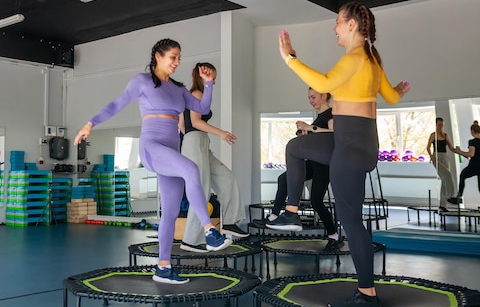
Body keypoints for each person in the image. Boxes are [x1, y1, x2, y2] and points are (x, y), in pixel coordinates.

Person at [277, 1, 410, 307]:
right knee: (295, 148)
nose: (334, 27)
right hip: (349, 140)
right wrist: (399, 91)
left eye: (338, 21)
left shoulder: (355, 57)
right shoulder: (371, 58)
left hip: (351, 147)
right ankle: (292, 212)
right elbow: (389, 96)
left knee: (351, 222)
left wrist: (290, 58)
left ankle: (367, 296)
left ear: (352, 25)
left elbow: (322, 84)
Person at [73, 38, 231, 285]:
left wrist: (209, 83)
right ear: (158, 55)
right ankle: (210, 231)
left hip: (170, 150)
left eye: (179, 57)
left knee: (169, 211)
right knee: (191, 169)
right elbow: (117, 104)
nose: (177, 62)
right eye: (173, 57)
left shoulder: (179, 89)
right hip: (151, 148)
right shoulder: (142, 81)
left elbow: (202, 106)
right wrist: (90, 123)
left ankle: (163, 267)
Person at [178, 62, 249, 253]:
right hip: (195, 143)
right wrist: (220, 133)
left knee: (227, 177)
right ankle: (190, 240)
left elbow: (182, 124)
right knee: (201, 191)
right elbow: (193, 122)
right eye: (213, 78)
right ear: (204, 75)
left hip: (199, 144)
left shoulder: (196, 95)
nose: (214, 82)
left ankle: (230, 222)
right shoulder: (196, 93)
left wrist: (203, 147)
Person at [264, 88, 343, 251]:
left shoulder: (331, 114)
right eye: (309, 98)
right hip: (313, 163)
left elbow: (335, 134)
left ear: (324, 96)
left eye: (313, 97)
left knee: (316, 201)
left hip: (324, 165)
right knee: (284, 178)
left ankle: (334, 236)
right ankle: (275, 215)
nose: (311, 101)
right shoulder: (319, 118)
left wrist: (311, 128)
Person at [449, 121, 480, 208]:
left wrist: (459, 152)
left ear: (472, 131)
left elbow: (471, 154)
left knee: (462, 176)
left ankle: (459, 197)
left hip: (474, 166)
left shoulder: (472, 141)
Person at [425, 118, 458, 212]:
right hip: (436, 156)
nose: (440, 127)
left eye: (442, 125)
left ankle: (442, 205)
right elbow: (428, 147)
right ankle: (451, 196)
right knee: (447, 175)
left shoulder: (445, 135)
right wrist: (431, 156)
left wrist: (461, 152)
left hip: (445, 157)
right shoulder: (433, 135)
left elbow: (451, 148)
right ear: (436, 125)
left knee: (444, 179)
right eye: (439, 125)